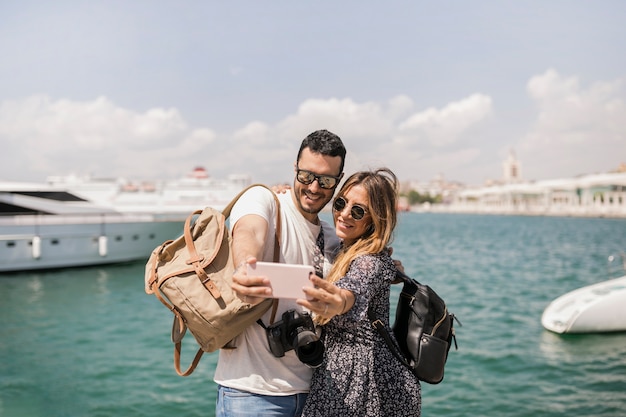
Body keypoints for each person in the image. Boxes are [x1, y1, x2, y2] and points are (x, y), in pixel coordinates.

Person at [214, 129, 350, 417]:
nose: (314, 187)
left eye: (325, 180)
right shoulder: (264, 200)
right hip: (251, 393)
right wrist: (245, 265)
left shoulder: (331, 237)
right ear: (295, 168)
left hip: (314, 394)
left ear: (337, 182)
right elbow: (249, 230)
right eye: (306, 176)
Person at [298, 168, 422, 417]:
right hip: (354, 379)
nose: (344, 214)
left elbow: (355, 286)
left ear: (376, 219)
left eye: (358, 211)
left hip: (363, 385)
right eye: (341, 203)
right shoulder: (347, 249)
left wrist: (338, 301)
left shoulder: (370, 261)